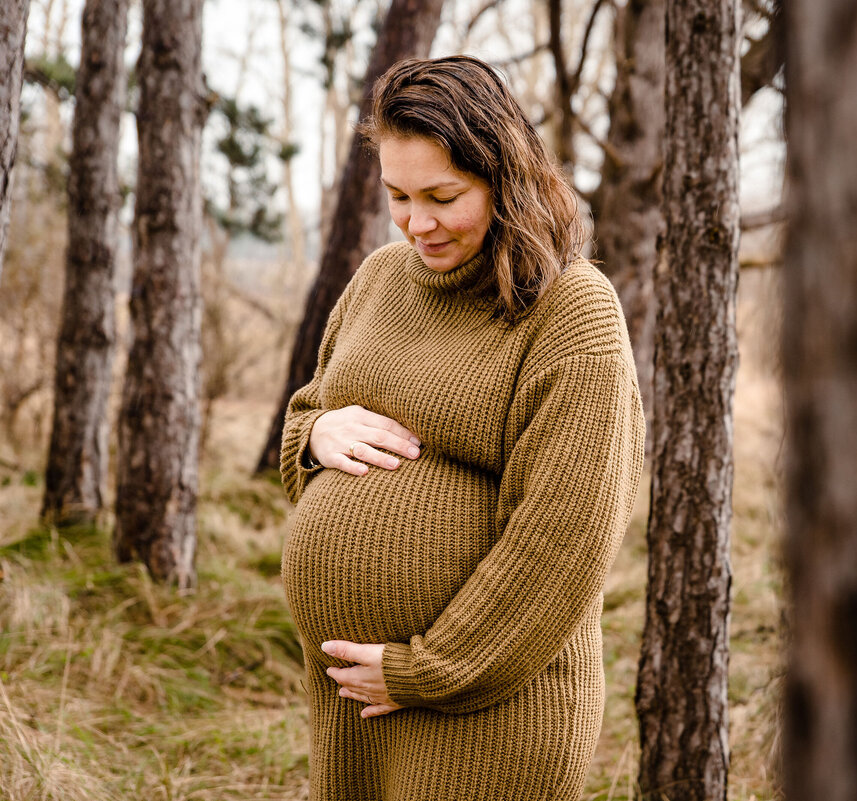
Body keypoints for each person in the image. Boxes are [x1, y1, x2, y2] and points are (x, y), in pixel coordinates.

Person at [279, 55, 645, 801]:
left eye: (443, 196)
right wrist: (315, 435)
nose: (417, 222)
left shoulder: (573, 311)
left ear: (505, 179)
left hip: (488, 710)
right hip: (356, 699)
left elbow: (563, 537)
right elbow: (306, 416)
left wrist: (431, 668)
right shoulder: (381, 279)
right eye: (398, 196)